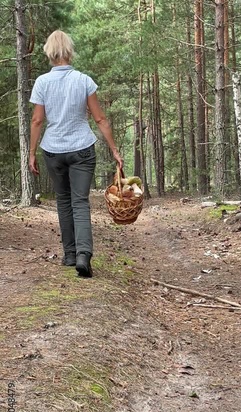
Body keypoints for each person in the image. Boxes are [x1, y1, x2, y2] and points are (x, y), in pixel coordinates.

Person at [29, 30, 123, 278]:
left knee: (63, 201)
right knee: (79, 201)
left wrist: (31, 153)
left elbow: (37, 121)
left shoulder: (42, 82)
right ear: (69, 51)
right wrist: (114, 149)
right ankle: (83, 255)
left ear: (49, 53)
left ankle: (69, 254)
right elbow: (100, 118)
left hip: (53, 150)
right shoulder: (83, 80)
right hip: (82, 148)